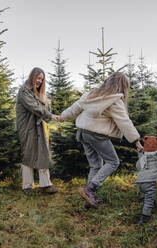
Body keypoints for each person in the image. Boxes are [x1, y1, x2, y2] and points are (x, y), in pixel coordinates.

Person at [60, 72, 143, 207]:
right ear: (122, 86)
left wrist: (62, 117)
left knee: (96, 165)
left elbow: (75, 108)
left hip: (83, 132)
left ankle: (89, 199)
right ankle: (90, 189)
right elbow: (125, 122)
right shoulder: (114, 100)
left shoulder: (92, 94)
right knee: (113, 162)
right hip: (96, 134)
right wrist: (136, 142)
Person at [16, 67, 59, 195]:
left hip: (41, 127)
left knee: (43, 152)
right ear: (32, 76)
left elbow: (45, 107)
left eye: (42, 79)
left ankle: (46, 185)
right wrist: (51, 115)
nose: (39, 81)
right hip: (28, 128)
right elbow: (34, 107)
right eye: (38, 78)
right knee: (28, 153)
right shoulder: (24, 91)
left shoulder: (41, 94)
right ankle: (27, 186)